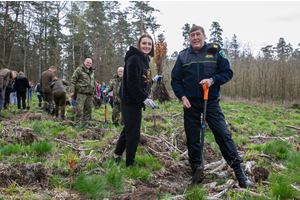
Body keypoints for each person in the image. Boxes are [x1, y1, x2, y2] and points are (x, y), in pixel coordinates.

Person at [171, 25, 253, 188]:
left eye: (198, 34)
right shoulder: (183, 56)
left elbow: (228, 73)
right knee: (193, 138)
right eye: (192, 35)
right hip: (190, 104)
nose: (195, 38)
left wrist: (212, 80)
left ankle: (239, 171)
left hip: (211, 101)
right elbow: (175, 80)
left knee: (223, 134)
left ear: (204, 36)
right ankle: (196, 172)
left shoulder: (215, 51)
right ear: (189, 38)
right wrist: (182, 96)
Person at [112, 33, 162, 167]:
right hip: (130, 101)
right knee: (133, 134)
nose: (146, 46)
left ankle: (116, 156)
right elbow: (132, 84)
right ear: (139, 44)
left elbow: (142, 81)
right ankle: (130, 165)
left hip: (136, 100)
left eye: (149, 44)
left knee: (128, 129)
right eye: (144, 43)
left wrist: (151, 83)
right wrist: (144, 98)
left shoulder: (144, 59)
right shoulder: (134, 59)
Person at [69, 58, 97, 129]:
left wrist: (95, 92)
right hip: (81, 93)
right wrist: (72, 90)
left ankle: (85, 123)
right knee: (79, 109)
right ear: (84, 62)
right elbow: (73, 80)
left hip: (90, 94)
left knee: (88, 109)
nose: (89, 64)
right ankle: (78, 124)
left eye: (90, 63)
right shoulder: (79, 70)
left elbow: (93, 82)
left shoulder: (92, 71)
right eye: (87, 62)